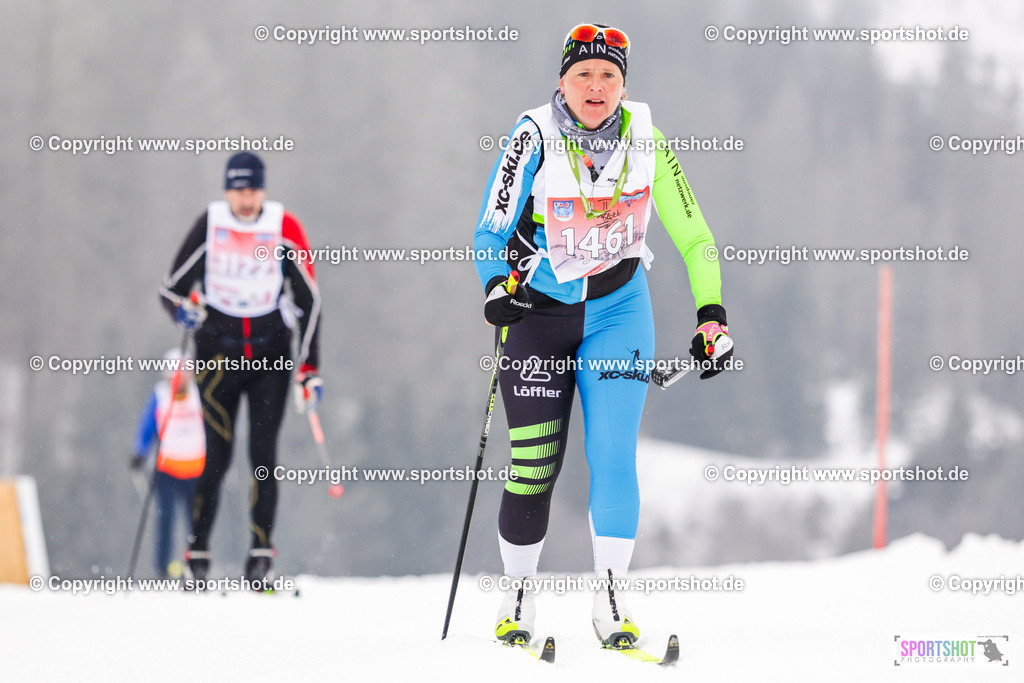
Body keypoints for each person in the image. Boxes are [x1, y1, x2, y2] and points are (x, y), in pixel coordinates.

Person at [474, 23, 733, 646]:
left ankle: (611, 603)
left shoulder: (649, 140)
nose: (596, 87)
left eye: (609, 76)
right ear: (562, 80)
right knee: (535, 464)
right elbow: (489, 229)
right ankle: (518, 600)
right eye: (583, 74)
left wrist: (711, 315)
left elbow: (695, 236)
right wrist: (496, 287)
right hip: (538, 313)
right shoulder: (531, 136)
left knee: (615, 458)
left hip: (619, 310)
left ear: (624, 84)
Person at [159, 152, 323, 584]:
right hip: (217, 357)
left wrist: (309, 368)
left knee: (263, 457)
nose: (245, 199)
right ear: (226, 190)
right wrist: (183, 314)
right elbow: (171, 289)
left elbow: (310, 301)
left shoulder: (283, 226)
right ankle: (197, 554)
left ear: (263, 190)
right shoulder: (210, 224)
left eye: (252, 190)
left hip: (271, 357)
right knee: (216, 457)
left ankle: (260, 556)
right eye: (238, 189)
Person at [130, 347, 206, 579]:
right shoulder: (160, 395)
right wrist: (140, 452)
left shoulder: (199, 393)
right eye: (173, 375)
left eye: (182, 374)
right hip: (167, 469)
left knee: (196, 522)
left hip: (196, 468)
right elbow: (148, 425)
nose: (178, 380)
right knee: (165, 520)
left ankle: (195, 565)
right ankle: (162, 569)